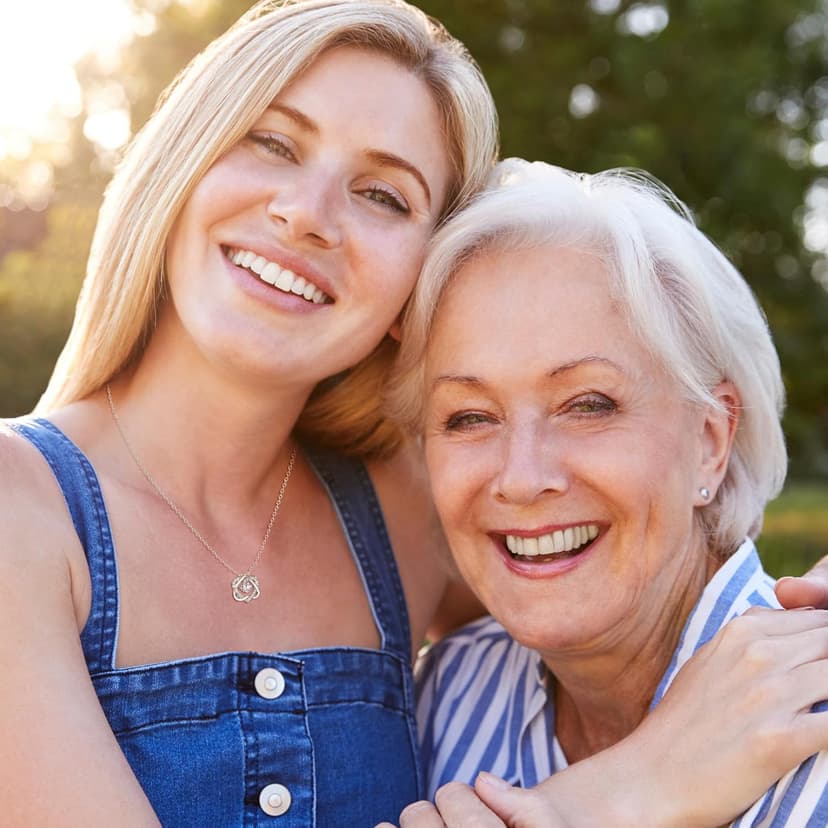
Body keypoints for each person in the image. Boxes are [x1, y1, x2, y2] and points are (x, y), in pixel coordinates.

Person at [2, 0, 828, 825]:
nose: (307, 214)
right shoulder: (23, 510)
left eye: (383, 195)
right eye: (274, 143)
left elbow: (624, 566)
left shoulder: (400, 513)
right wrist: (641, 784)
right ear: (181, 163)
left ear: (418, 290)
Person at [384, 158, 828, 826]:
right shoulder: (445, 694)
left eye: (588, 404)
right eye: (469, 417)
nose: (523, 478)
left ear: (711, 438)